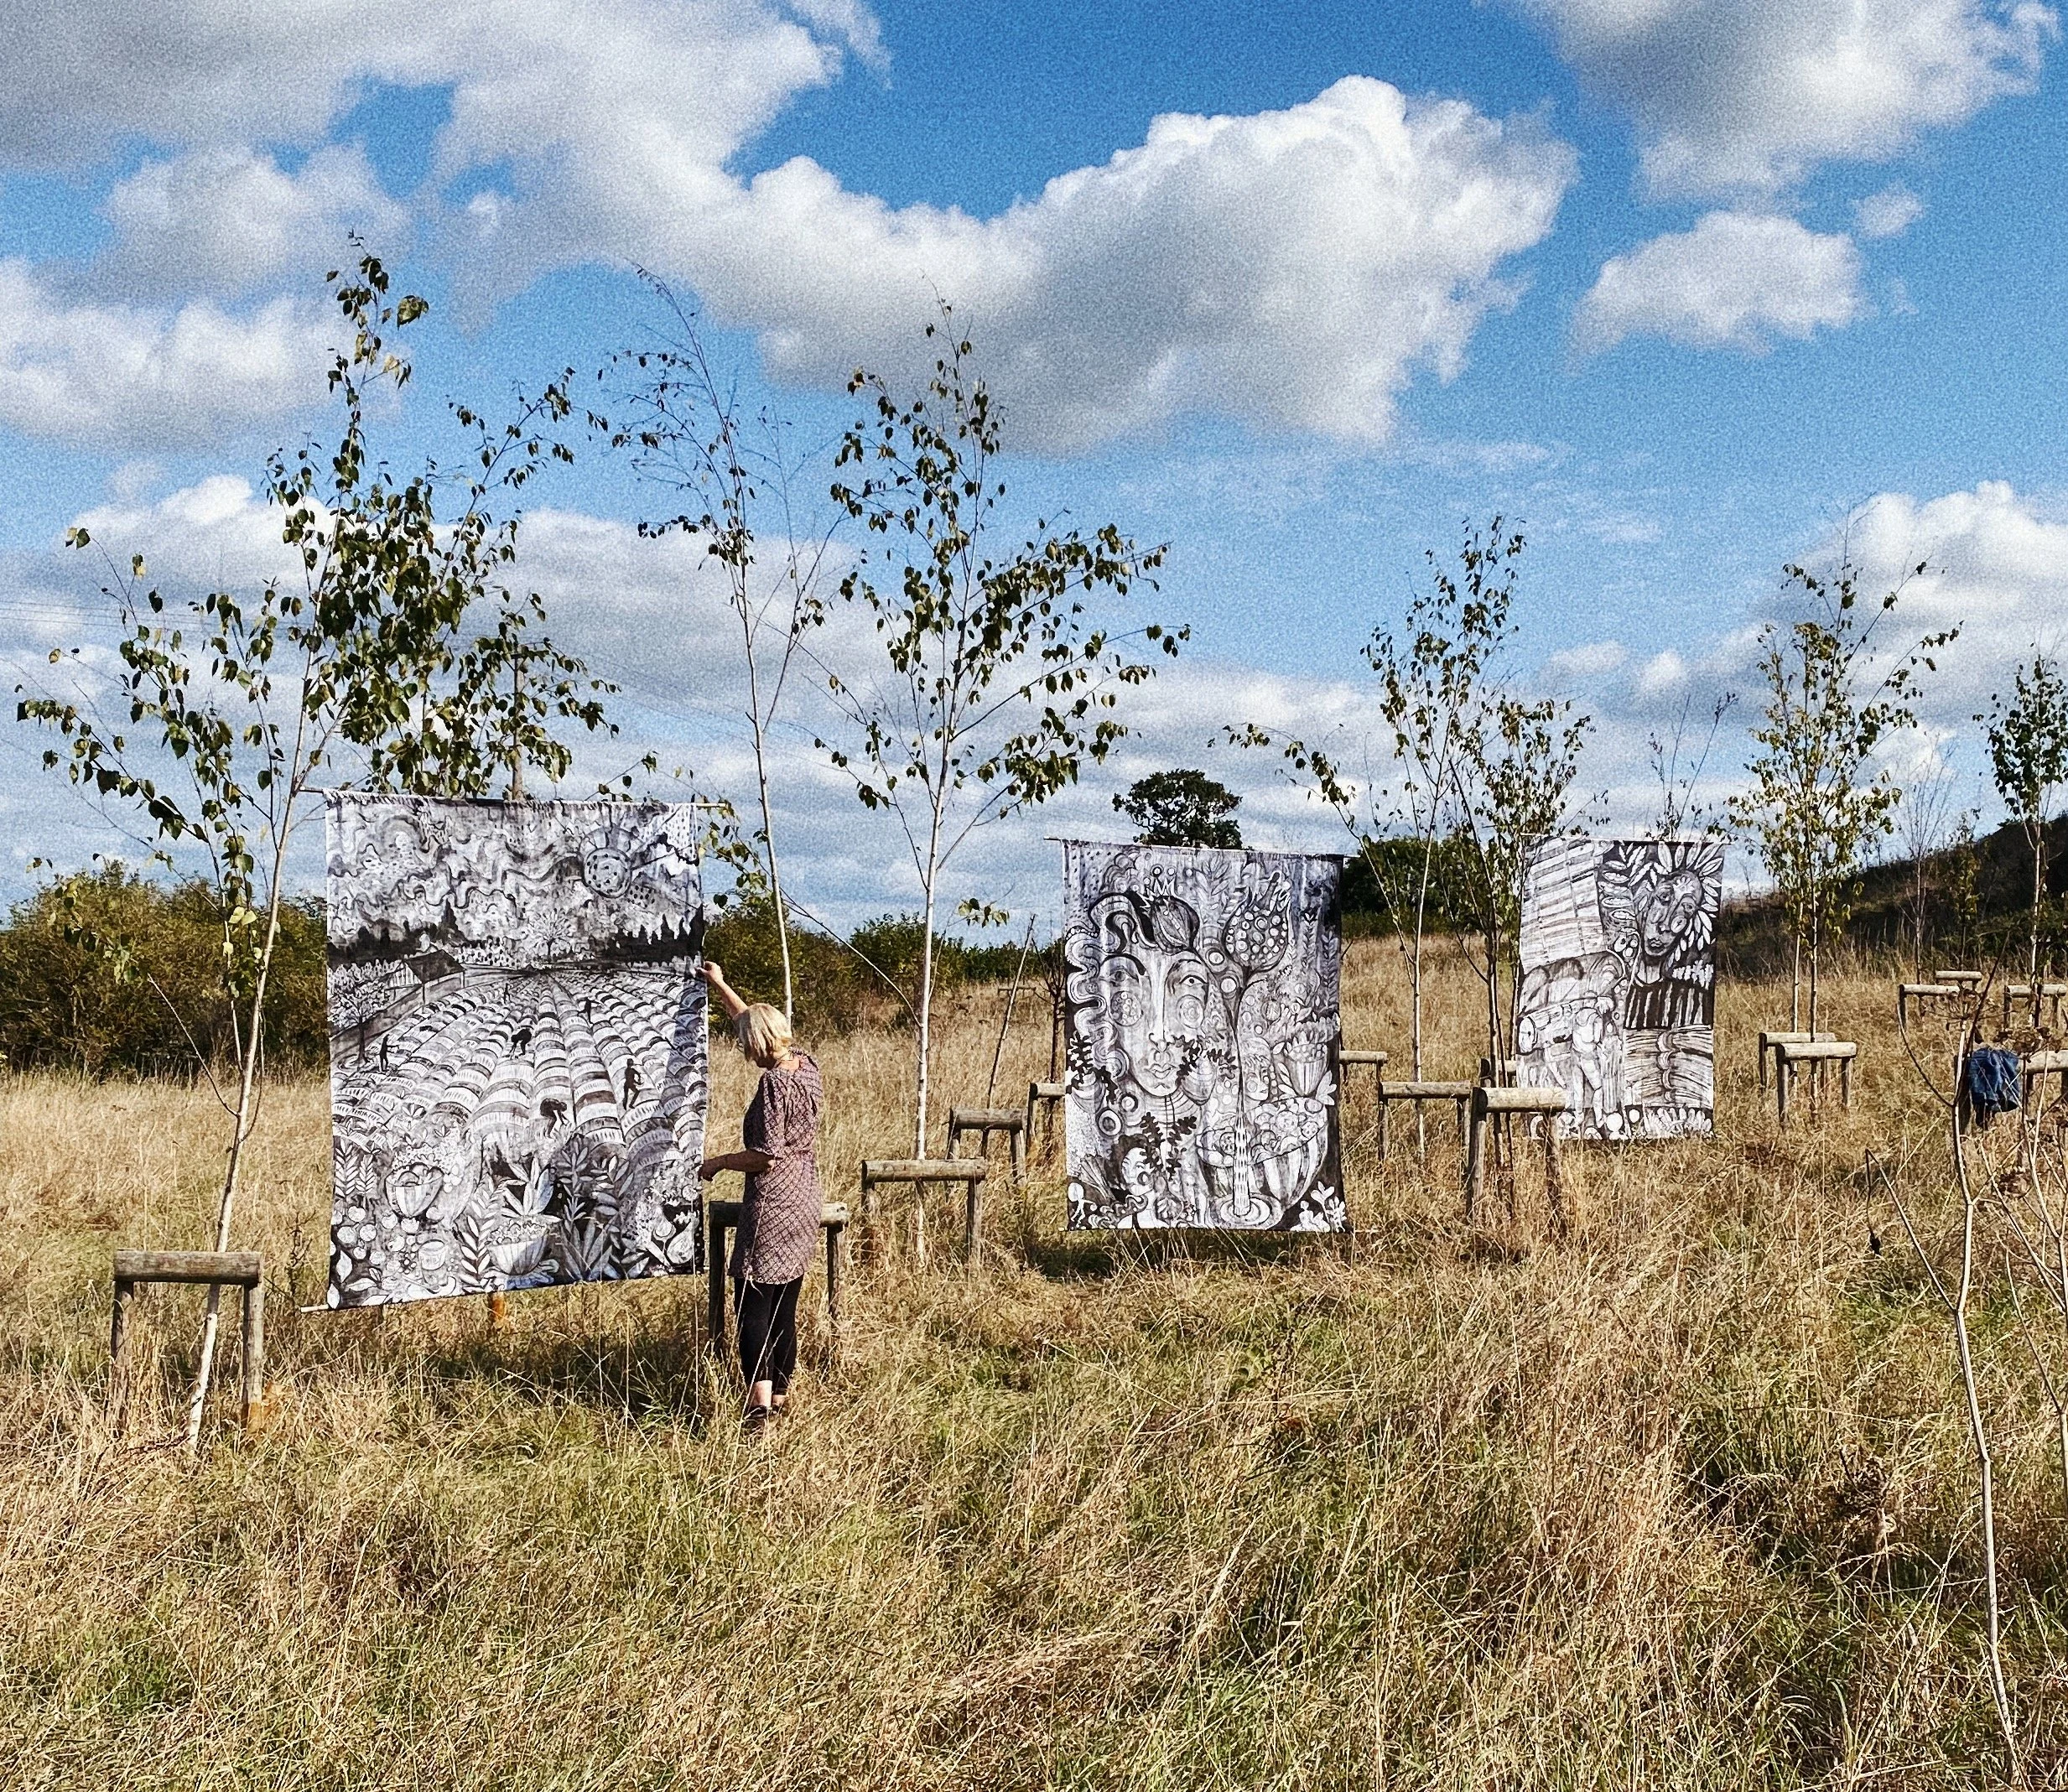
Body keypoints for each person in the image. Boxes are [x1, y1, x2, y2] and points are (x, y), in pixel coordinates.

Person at [696, 960, 824, 1430]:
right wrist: (719, 984)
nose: (743, 1049)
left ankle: (757, 1409)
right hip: (805, 1197)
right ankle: (782, 1395)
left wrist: (719, 1162)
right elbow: (752, 1020)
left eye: (745, 1043)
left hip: (773, 1204)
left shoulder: (773, 1083)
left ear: (757, 1045)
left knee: (752, 1305)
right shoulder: (806, 1065)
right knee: (784, 1302)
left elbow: (765, 1155)